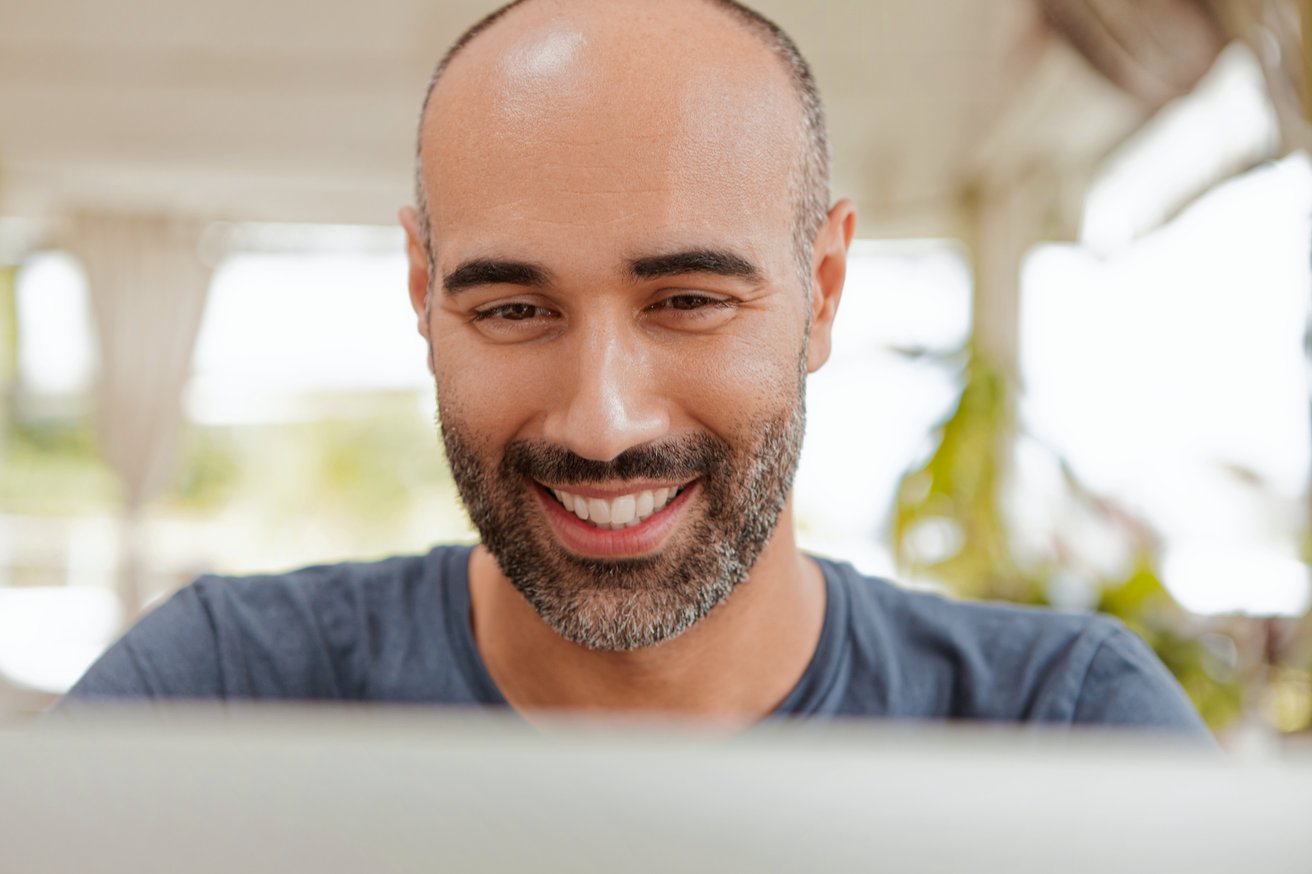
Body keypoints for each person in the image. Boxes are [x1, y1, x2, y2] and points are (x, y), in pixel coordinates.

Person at [64, 0, 1207, 735]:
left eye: (690, 301)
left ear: (824, 288)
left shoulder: (1064, 731)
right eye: (514, 306)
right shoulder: (215, 699)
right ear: (423, 291)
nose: (602, 420)